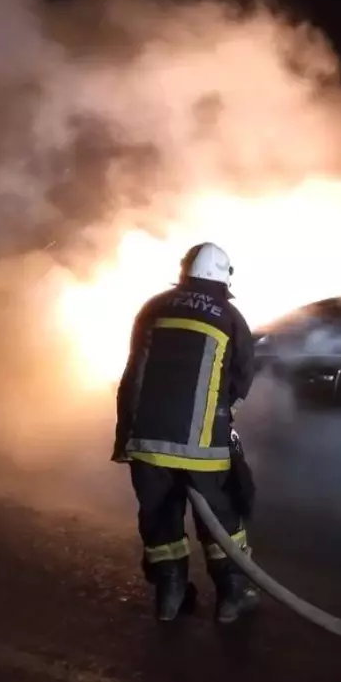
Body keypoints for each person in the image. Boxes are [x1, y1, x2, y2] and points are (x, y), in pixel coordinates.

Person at [111, 241, 260, 623]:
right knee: (221, 521)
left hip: (147, 441)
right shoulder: (229, 316)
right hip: (203, 448)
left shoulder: (154, 308)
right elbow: (242, 378)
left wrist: (124, 436)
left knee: (161, 519)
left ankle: (170, 595)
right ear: (224, 278)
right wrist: (224, 415)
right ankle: (232, 596)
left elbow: (133, 376)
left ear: (184, 271)